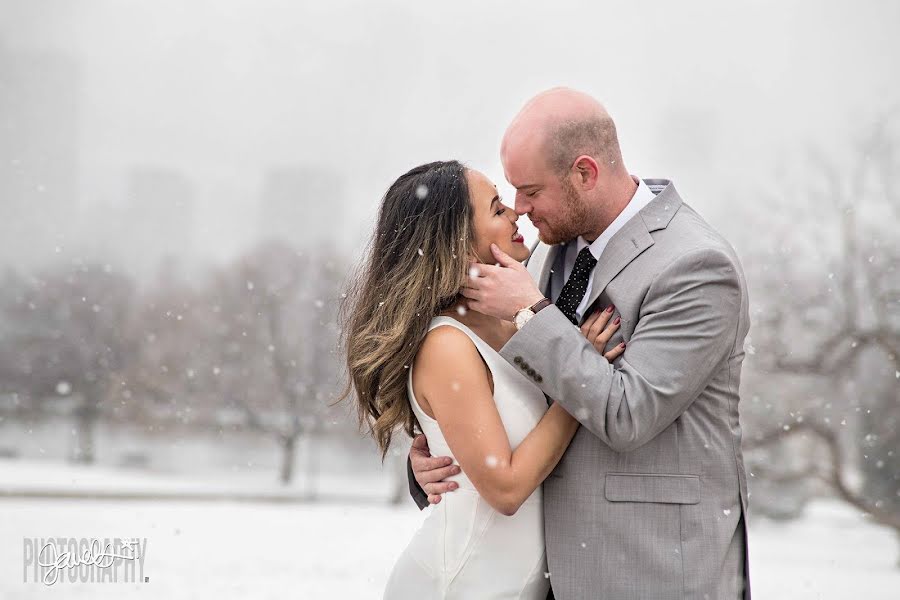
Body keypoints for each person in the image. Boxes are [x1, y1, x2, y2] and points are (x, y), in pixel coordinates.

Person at [409, 88, 753, 600]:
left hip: (651, 574)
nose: (521, 211)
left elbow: (627, 415)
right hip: (541, 576)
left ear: (584, 173)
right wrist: (437, 457)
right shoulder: (553, 248)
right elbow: (522, 392)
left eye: (530, 191)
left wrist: (532, 314)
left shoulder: (695, 266)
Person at [338, 159, 624, 599]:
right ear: (458, 244)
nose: (515, 212)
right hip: (462, 584)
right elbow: (505, 488)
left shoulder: (516, 320)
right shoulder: (446, 346)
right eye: (495, 208)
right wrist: (580, 377)